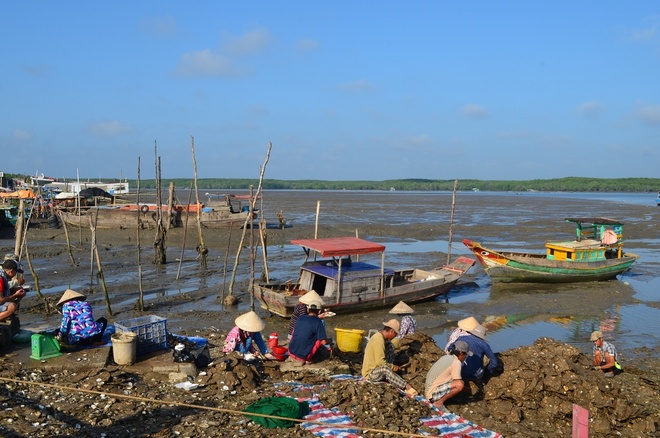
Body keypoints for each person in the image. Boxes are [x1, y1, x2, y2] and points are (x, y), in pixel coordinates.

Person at [362, 318, 418, 396]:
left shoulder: (383, 339)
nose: (395, 336)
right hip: (370, 373)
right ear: (391, 331)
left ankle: (391, 376)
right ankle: (406, 386)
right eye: (395, 334)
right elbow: (380, 362)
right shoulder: (378, 339)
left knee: (390, 346)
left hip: (377, 369)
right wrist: (392, 367)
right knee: (385, 369)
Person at [446, 316, 499, 383]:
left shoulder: (460, 338)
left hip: (458, 372)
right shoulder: (484, 344)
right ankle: (481, 381)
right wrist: (486, 375)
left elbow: (449, 349)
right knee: (486, 358)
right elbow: (494, 363)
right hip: (475, 375)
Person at [425, 340, 472, 411]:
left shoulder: (446, 357)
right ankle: (438, 402)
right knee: (460, 384)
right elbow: (458, 383)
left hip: (428, 390)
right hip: (432, 394)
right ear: (461, 353)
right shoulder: (456, 362)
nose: (465, 357)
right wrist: (468, 390)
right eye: (465, 355)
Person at [288, 299, 332, 364]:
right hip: (303, 356)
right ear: (319, 311)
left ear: (308, 310)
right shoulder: (318, 322)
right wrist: (331, 340)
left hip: (290, 351)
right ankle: (309, 359)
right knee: (320, 339)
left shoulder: (300, 318)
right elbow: (324, 342)